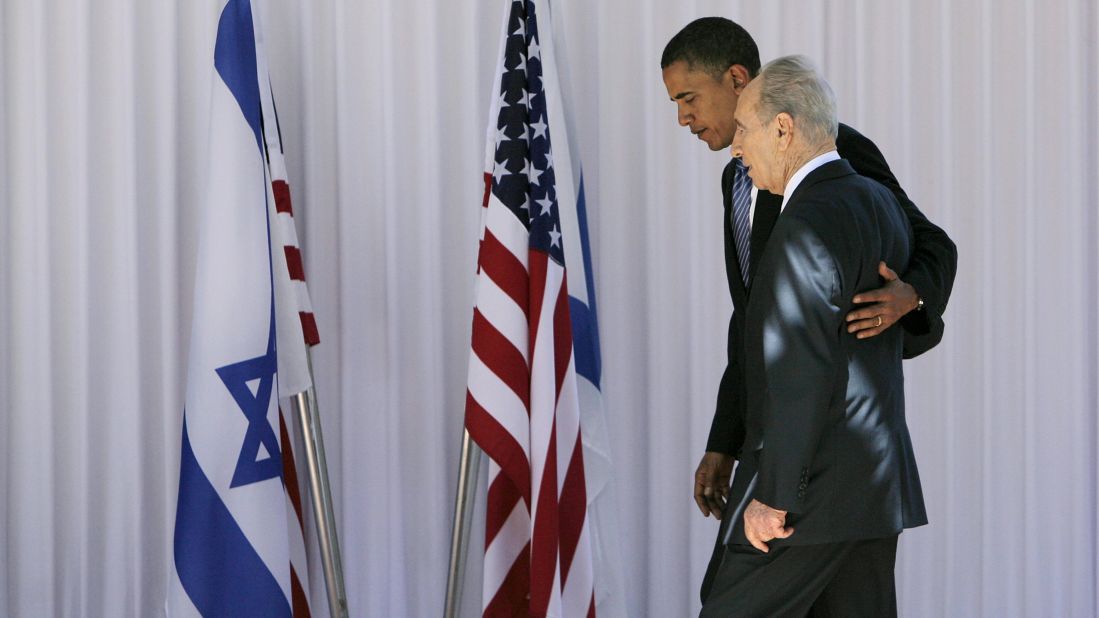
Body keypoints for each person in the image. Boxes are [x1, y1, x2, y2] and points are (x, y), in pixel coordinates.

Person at [659, 16, 957, 605]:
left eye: (689, 98)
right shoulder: (736, 181)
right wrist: (727, 438)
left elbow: (929, 242)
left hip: (812, 464)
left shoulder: (835, 156)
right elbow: (754, 321)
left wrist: (911, 296)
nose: (683, 118)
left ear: (739, 80)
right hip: (806, 457)